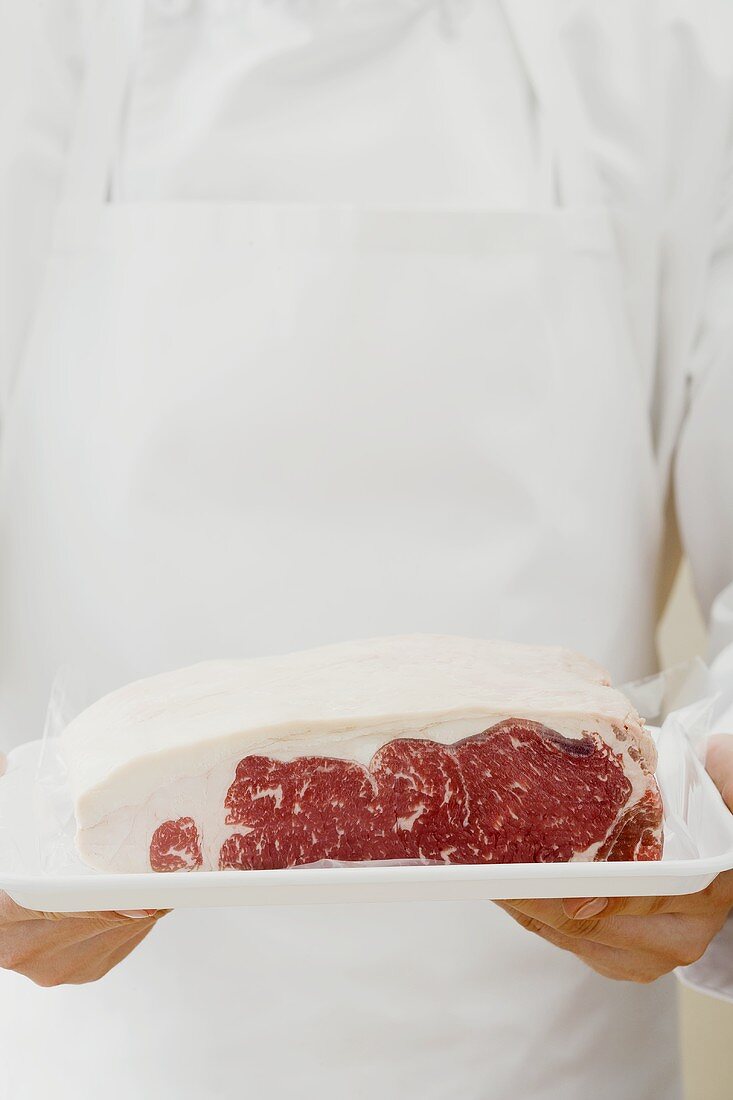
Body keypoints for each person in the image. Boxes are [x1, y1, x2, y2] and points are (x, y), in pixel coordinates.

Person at [0, 1, 732, 1097]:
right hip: (100, 1055)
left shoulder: (667, 54)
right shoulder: (32, 57)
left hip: (545, 1059)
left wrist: (714, 818)